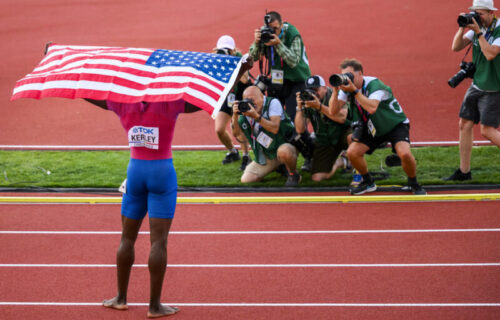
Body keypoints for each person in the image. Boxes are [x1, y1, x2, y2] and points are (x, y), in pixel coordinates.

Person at [85, 59, 252, 318]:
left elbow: (88, 93)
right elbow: (215, 94)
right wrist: (240, 70)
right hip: (162, 172)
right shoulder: (169, 102)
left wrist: (58, 65)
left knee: (126, 238)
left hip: (135, 171)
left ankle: (120, 297)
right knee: (158, 241)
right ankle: (154, 306)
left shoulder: (122, 102)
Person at [329, 58, 426, 195]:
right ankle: (368, 182)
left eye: (350, 75)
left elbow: (372, 107)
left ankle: (413, 183)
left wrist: (355, 91)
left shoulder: (374, 84)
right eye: (344, 76)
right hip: (371, 125)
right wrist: (335, 91)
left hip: (394, 124)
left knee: (404, 154)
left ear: (361, 73)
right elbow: (333, 111)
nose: (347, 79)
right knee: (353, 153)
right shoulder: (346, 89)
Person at [444, 0, 500, 181]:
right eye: (476, 13)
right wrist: (462, 27)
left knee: (487, 130)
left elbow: (490, 54)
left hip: (494, 87)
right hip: (477, 84)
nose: (478, 17)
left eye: (481, 14)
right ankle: (464, 171)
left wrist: (478, 32)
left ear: (491, 13)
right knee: (464, 124)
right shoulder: (476, 26)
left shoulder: (498, 30)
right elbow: (455, 47)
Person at [232, 85, 301, 186]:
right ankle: (278, 166)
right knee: (247, 179)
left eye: (253, 99)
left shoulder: (273, 103)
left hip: (286, 145)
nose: (251, 103)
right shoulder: (245, 113)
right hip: (267, 154)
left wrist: (255, 116)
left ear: (262, 97)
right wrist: (235, 115)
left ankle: (293, 174)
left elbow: (274, 128)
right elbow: (236, 133)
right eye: (247, 100)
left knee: (284, 151)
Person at [249, 11, 311, 123]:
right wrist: (256, 43)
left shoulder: (292, 34)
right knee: (274, 115)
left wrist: (278, 44)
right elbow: (253, 58)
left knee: (294, 116)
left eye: (276, 28)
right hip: (278, 81)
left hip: (296, 80)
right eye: (270, 29)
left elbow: (293, 61)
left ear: (282, 25)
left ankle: (300, 139)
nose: (273, 32)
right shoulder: (265, 34)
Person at [295, 75, 352, 181]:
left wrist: (319, 107)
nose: (314, 93)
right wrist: (299, 109)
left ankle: (353, 160)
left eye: (316, 89)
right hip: (325, 141)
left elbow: (342, 118)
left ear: (325, 88)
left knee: (353, 137)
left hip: (342, 133)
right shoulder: (308, 101)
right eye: (310, 90)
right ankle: (342, 161)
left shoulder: (336, 95)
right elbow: (300, 129)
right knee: (317, 178)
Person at [213, 35, 252, 170]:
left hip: (241, 96)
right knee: (219, 129)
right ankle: (233, 152)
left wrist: (233, 62)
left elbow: (245, 80)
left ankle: (246, 155)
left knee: (238, 127)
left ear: (233, 50)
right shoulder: (217, 60)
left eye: (227, 50)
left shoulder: (241, 59)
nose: (225, 53)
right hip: (228, 97)